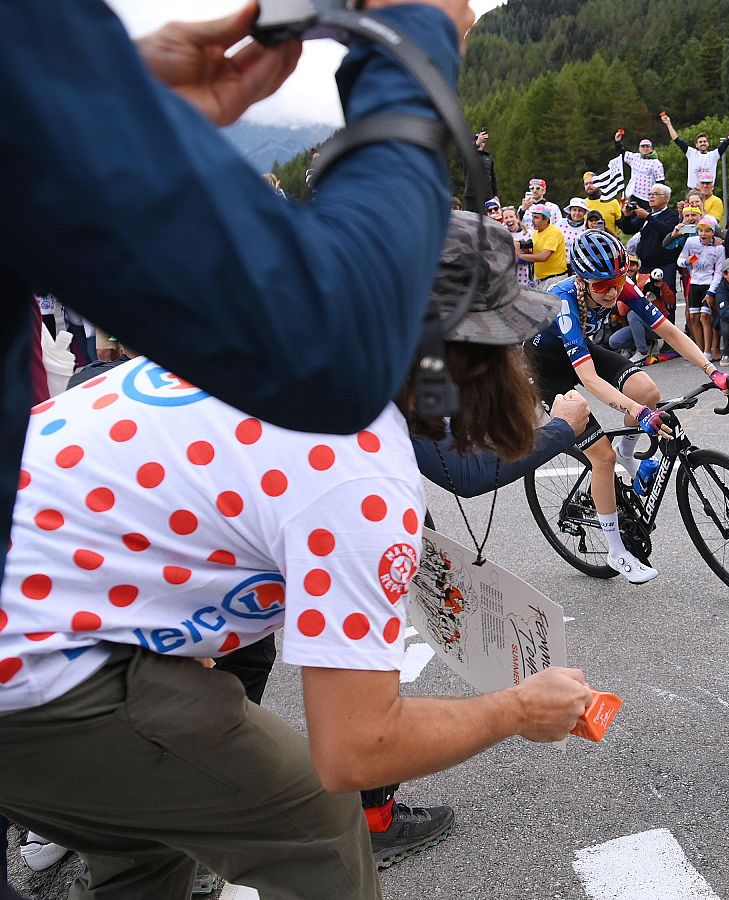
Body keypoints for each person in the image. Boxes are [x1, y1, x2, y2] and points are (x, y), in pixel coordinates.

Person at [0, 209, 593, 900]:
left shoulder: (259, 350)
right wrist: (519, 708)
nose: (518, 361)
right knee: (313, 824)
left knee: (148, 835)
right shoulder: (355, 465)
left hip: (42, 613)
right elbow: (356, 747)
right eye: (506, 342)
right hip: (33, 659)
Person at [0, 0, 480, 731]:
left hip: (42, 583)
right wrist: (413, 41)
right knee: (308, 827)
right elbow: (330, 341)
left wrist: (109, 104)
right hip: (33, 643)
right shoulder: (366, 467)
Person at [526, 230, 729, 579]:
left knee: (648, 392)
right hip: (545, 368)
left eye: (618, 281)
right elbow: (591, 381)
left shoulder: (621, 286)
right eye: (601, 286)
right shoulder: (563, 299)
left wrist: (712, 371)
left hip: (578, 350)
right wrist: (639, 416)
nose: (612, 291)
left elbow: (669, 331)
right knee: (602, 456)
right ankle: (615, 551)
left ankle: (629, 455)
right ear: (582, 280)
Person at [618, 182, 681, 303]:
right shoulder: (647, 214)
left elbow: (666, 230)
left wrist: (648, 217)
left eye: (656, 194)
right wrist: (626, 217)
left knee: (666, 299)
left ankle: (669, 322)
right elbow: (628, 229)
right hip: (646, 265)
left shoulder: (671, 215)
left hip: (665, 265)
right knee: (642, 298)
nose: (651, 197)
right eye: (650, 194)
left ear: (666, 198)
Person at [677, 216, 727, 356]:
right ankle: (700, 351)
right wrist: (686, 262)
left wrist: (711, 292)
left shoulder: (719, 248)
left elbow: (718, 272)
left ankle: (708, 351)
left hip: (709, 284)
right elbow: (680, 260)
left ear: (713, 232)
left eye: (707, 231)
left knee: (705, 317)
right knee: (693, 318)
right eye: (701, 231)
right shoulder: (691, 242)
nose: (703, 234)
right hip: (694, 283)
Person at [662, 112, 729, 191]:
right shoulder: (691, 153)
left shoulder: (714, 155)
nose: (702, 143)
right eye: (700, 142)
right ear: (696, 145)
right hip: (693, 191)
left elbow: (728, 141)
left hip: (708, 191)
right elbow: (677, 140)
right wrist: (668, 124)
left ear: (708, 143)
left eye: (704, 141)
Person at [616, 132, 666, 206]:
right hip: (633, 194)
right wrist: (617, 142)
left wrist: (657, 197)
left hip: (647, 197)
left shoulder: (656, 163)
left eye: (647, 147)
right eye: (643, 146)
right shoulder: (635, 157)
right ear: (639, 148)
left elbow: (660, 182)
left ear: (651, 148)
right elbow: (622, 153)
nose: (645, 148)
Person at [526, 207, 569, 286]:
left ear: (546, 220)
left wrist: (520, 256)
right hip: (542, 280)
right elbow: (536, 253)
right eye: (532, 217)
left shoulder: (553, 233)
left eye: (536, 217)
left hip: (554, 279)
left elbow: (543, 257)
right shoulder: (536, 233)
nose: (532, 221)